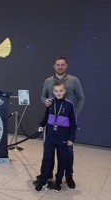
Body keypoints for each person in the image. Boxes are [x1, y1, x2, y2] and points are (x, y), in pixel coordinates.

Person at [34, 56, 84, 189]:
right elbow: (43, 96)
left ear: (66, 66)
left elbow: (81, 98)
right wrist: (45, 101)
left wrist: (74, 114)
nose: (60, 67)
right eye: (58, 65)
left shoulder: (74, 80)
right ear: (54, 66)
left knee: (67, 153)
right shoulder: (48, 81)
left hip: (66, 126)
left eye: (62, 65)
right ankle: (47, 174)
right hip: (52, 124)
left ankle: (69, 176)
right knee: (48, 152)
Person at [35, 82, 77, 192]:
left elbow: (73, 122)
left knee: (62, 160)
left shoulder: (69, 104)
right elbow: (46, 115)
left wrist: (71, 138)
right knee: (46, 159)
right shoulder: (50, 103)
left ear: (64, 91)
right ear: (53, 92)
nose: (58, 93)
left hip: (63, 138)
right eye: (56, 91)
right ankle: (43, 181)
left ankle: (58, 182)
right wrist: (41, 124)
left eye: (60, 90)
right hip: (50, 136)